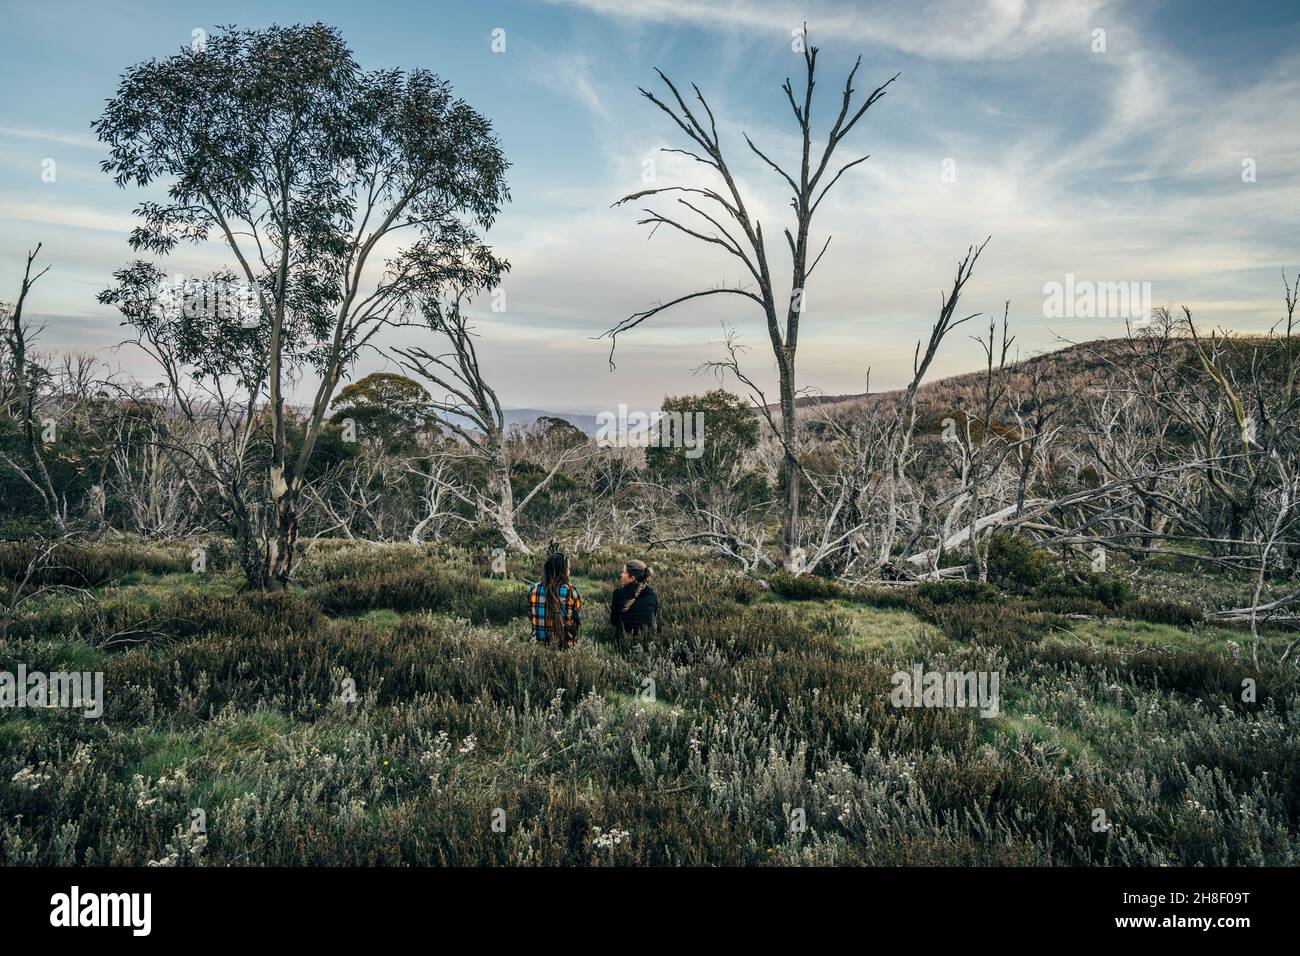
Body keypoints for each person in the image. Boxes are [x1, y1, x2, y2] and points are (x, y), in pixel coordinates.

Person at [527, 552, 582, 647]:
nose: (569, 572)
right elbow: (576, 619)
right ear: (563, 571)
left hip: (539, 647)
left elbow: (531, 617)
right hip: (565, 647)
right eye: (568, 568)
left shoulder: (533, 589)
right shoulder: (571, 591)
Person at [610, 559, 659, 638]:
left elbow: (614, 621)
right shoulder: (652, 595)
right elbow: (654, 618)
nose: (621, 575)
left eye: (624, 572)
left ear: (632, 578)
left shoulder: (618, 593)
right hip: (646, 643)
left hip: (622, 644)